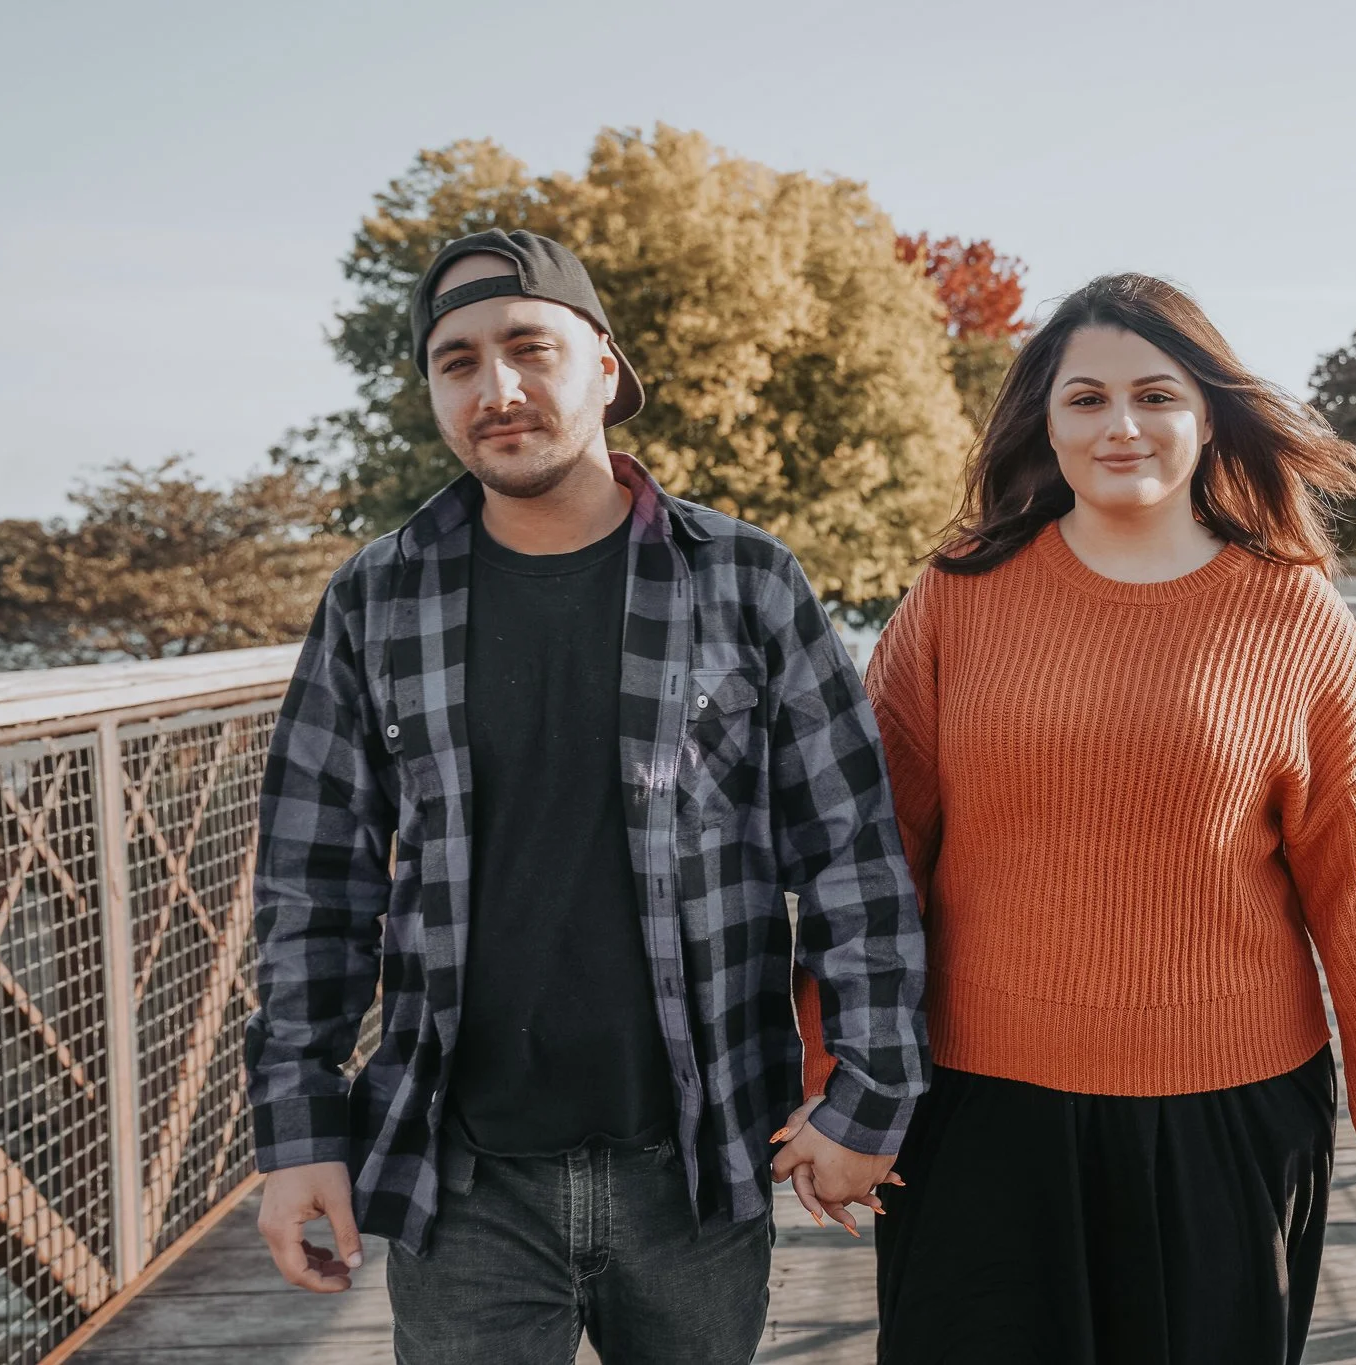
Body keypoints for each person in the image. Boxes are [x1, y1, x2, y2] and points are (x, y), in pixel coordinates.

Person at [244, 229, 928, 1365]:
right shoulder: (376, 598)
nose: (496, 388)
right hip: (463, 1181)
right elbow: (313, 885)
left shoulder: (745, 580)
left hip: (697, 1166)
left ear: (605, 368)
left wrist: (870, 1091)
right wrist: (299, 1128)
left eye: (529, 348)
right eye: (457, 362)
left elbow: (853, 858)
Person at [783, 272, 1356, 1364]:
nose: (1121, 426)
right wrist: (837, 1085)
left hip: (1227, 1122)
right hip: (977, 1115)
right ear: (1046, 423)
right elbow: (868, 861)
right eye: (1087, 398)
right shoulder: (958, 595)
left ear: (1208, 418)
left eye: (1155, 395)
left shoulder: (1292, 613)